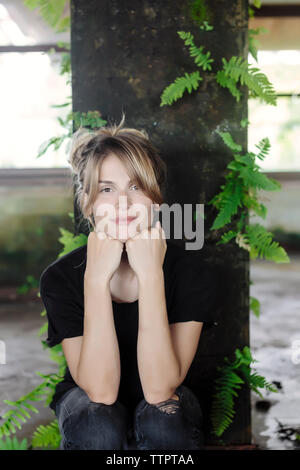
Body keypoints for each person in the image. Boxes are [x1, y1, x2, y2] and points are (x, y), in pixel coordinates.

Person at [39, 113, 220, 450]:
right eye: (107, 189)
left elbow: (159, 390)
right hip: (89, 400)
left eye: (135, 187)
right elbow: (100, 391)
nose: (123, 203)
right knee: (97, 423)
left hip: (168, 398)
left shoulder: (192, 271)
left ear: (155, 198)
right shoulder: (60, 279)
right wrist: (95, 279)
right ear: (88, 202)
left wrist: (151, 274)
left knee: (163, 418)